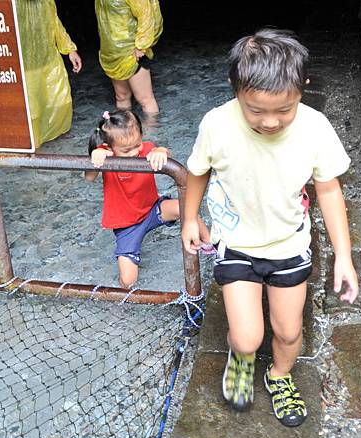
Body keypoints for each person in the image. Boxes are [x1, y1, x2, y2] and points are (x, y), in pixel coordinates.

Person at [181, 29, 359, 426]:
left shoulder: (315, 127)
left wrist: (343, 257)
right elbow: (197, 172)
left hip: (288, 246)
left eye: (285, 109)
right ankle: (240, 359)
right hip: (236, 243)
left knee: (289, 333)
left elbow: (329, 192)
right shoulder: (216, 124)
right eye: (256, 110)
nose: (271, 122)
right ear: (236, 89)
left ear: (301, 89)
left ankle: (279, 375)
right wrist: (190, 217)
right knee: (246, 337)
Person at [86, 110, 213, 288]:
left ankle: (210, 244)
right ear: (109, 146)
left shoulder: (144, 149)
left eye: (137, 144)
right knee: (128, 282)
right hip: (127, 225)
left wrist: (160, 151)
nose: (134, 152)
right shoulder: (105, 155)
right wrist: (95, 158)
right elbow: (89, 178)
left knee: (183, 207)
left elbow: (162, 152)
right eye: (126, 150)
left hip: (152, 209)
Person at [16, 0, 82, 148]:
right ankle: (32, 148)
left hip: (49, 59)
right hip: (23, 65)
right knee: (31, 107)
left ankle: (57, 138)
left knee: (58, 97)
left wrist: (70, 49)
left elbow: (53, 20)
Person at [94, 0, 163, 115]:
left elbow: (146, 14)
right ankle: (124, 130)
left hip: (133, 51)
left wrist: (141, 46)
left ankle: (153, 131)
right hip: (113, 52)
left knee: (145, 99)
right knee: (121, 96)